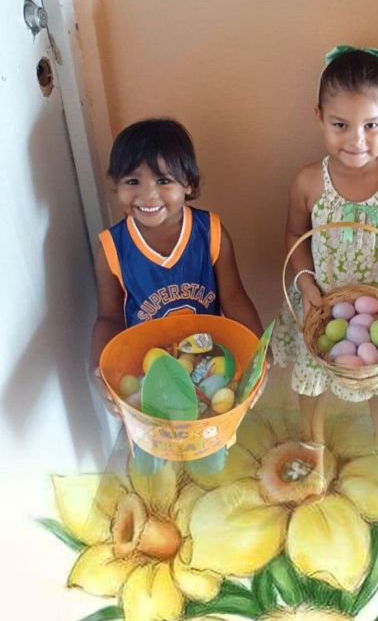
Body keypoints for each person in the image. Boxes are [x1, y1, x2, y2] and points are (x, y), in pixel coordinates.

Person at [271, 46, 378, 472]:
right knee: (313, 383)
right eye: (340, 125)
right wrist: (305, 283)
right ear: (319, 117)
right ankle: (312, 444)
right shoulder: (309, 182)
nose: (356, 140)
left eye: (371, 125)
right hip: (321, 304)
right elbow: (294, 235)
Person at [91, 117, 262, 405]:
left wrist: (260, 354)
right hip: (146, 375)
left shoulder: (211, 233)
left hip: (209, 365)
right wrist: (97, 370)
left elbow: (234, 299)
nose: (148, 194)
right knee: (158, 431)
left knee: (213, 425)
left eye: (163, 181)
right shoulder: (111, 249)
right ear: (115, 185)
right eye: (132, 181)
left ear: (188, 183)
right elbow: (108, 319)